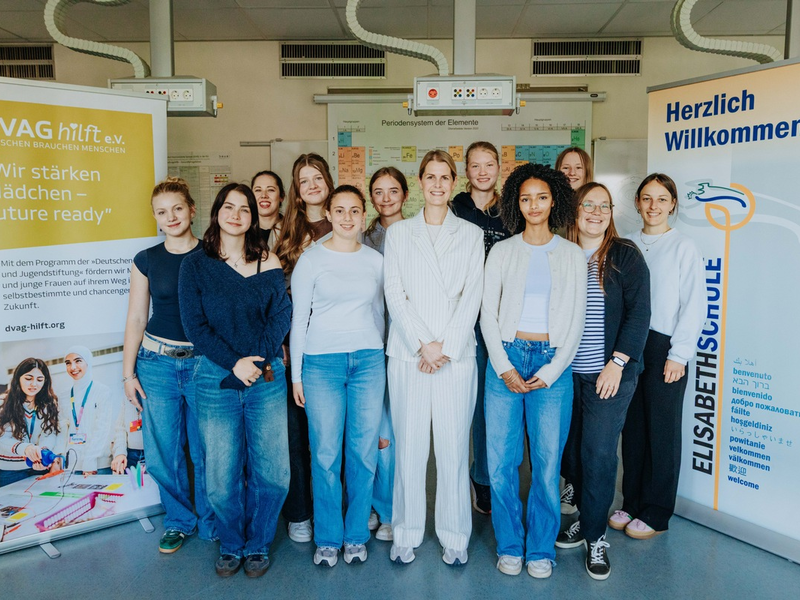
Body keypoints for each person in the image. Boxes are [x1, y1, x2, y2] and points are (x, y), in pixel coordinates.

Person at [179, 182, 292, 578]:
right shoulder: (195, 264)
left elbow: (281, 316)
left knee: (274, 473)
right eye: (230, 207)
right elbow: (196, 326)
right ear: (217, 212)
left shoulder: (270, 261)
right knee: (221, 476)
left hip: (266, 377)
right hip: (215, 377)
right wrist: (234, 363)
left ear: (252, 217)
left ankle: (258, 542)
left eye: (245, 209)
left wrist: (256, 362)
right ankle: (232, 543)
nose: (237, 214)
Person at [481, 163, 586, 579]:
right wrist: (504, 366)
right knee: (501, 463)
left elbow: (576, 319)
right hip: (505, 357)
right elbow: (487, 313)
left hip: (551, 363)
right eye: (525, 198)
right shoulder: (502, 251)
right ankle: (510, 544)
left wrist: (554, 370)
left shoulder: (573, 254)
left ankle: (541, 548)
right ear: (515, 204)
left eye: (541, 197)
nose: (534, 205)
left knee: (546, 464)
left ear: (554, 200)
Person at [384, 150, 484, 567]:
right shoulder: (400, 234)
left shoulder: (471, 234)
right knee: (409, 448)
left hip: (455, 358)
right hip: (409, 355)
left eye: (446, 177)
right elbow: (395, 293)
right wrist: (423, 343)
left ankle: (455, 535)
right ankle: (406, 532)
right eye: (431, 177)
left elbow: (472, 296)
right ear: (420, 182)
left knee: (453, 448)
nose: (438, 184)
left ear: (454, 182)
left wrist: (445, 346)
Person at [556, 182, 651, 580]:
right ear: (575, 211)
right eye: (588, 205)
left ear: (612, 213)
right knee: (571, 453)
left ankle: (595, 536)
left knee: (597, 455)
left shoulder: (625, 255)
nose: (596, 212)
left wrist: (616, 362)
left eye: (604, 206)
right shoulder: (560, 252)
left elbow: (639, 314)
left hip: (608, 376)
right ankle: (585, 515)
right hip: (563, 374)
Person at [291, 185, 385, 567]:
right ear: (328, 214)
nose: (347, 218)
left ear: (364, 216)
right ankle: (329, 537)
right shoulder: (310, 260)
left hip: (368, 361)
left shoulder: (376, 261)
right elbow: (299, 319)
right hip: (321, 364)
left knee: (362, 454)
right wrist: (296, 375)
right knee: (326, 453)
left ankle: (356, 534)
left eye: (355, 211)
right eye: (340, 211)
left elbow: (381, 315)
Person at [120, 177, 214, 554]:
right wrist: (128, 374)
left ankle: (211, 521)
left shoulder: (213, 254)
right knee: (163, 451)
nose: (171, 217)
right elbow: (136, 319)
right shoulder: (146, 260)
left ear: (192, 209)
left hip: (204, 364)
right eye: (162, 212)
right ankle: (178, 520)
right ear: (155, 218)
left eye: (177, 208)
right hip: (156, 364)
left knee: (207, 450)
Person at [614, 173, 705, 540]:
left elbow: (694, 306)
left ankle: (657, 510)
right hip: (631, 345)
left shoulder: (684, 246)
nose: (654, 206)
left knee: (662, 431)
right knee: (633, 428)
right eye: (647, 198)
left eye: (662, 199)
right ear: (637, 203)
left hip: (666, 347)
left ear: (672, 205)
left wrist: (679, 355)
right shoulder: (626, 244)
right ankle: (632, 501)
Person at [274, 153, 335, 543]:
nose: (312, 185)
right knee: (297, 434)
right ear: (296, 190)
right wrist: (281, 343)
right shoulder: (287, 234)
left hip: (341, 343)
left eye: (317, 177)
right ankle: (300, 512)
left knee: (334, 434)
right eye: (304, 180)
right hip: (299, 343)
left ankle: (340, 509)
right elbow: (278, 295)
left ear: (328, 180)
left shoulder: (349, 220)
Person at [451, 141, 511, 515]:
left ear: (499, 168)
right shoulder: (455, 209)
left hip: (505, 319)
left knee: (499, 402)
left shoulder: (512, 210)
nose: (483, 171)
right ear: (466, 170)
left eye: (490, 164)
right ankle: (478, 477)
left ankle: (493, 475)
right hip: (465, 319)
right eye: (476, 165)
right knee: (471, 406)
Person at [363, 166, 409, 542]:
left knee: (402, 435)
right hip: (373, 346)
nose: (386, 198)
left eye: (393, 190)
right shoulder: (361, 239)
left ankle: (398, 509)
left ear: (405, 195)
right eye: (378, 191)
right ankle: (380, 508)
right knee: (379, 435)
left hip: (411, 347)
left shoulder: (417, 235)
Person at [554, 146, 594, 515]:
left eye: (576, 168)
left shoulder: (592, 211)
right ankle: (561, 483)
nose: (570, 173)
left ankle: (576, 486)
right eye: (564, 168)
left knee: (584, 426)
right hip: (554, 331)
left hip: (590, 338)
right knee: (560, 424)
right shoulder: (551, 213)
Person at [0, 358, 63, 487]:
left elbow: (49, 433)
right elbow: (2, 439)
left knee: (40, 505)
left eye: (39, 380)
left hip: (37, 468)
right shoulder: (3, 403)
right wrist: (27, 449)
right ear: (18, 379)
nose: (34, 384)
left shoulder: (49, 405)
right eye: (28, 378)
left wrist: (42, 453)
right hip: (9, 471)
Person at [61, 346, 113, 476]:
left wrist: (90, 460)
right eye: (68, 363)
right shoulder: (63, 396)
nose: (73, 367)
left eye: (78, 361)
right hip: (72, 466)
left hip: (98, 465)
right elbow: (62, 431)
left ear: (88, 362)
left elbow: (103, 428)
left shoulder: (102, 391)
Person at [252, 170, 285, 252]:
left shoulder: (293, 230)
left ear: (281, 196)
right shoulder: (243, 231)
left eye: (270, 190)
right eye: (258, 190)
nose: (264, 195)